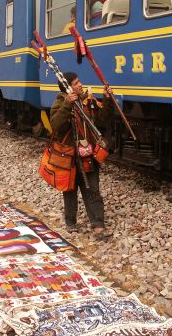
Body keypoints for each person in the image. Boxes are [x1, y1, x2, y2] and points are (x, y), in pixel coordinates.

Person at [50, 72, 114, 240]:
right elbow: (56, 126)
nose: (80, 84)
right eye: (76, 83)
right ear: (69, 88)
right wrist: (67, 105)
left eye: (79, 81)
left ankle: (98, 225)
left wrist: (107, 99)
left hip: (88, 156)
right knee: (70, 190)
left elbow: (101, 121)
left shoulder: (87, 101)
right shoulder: (60, 103)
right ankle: (70, 222)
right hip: (70, 157)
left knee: (93, 189)